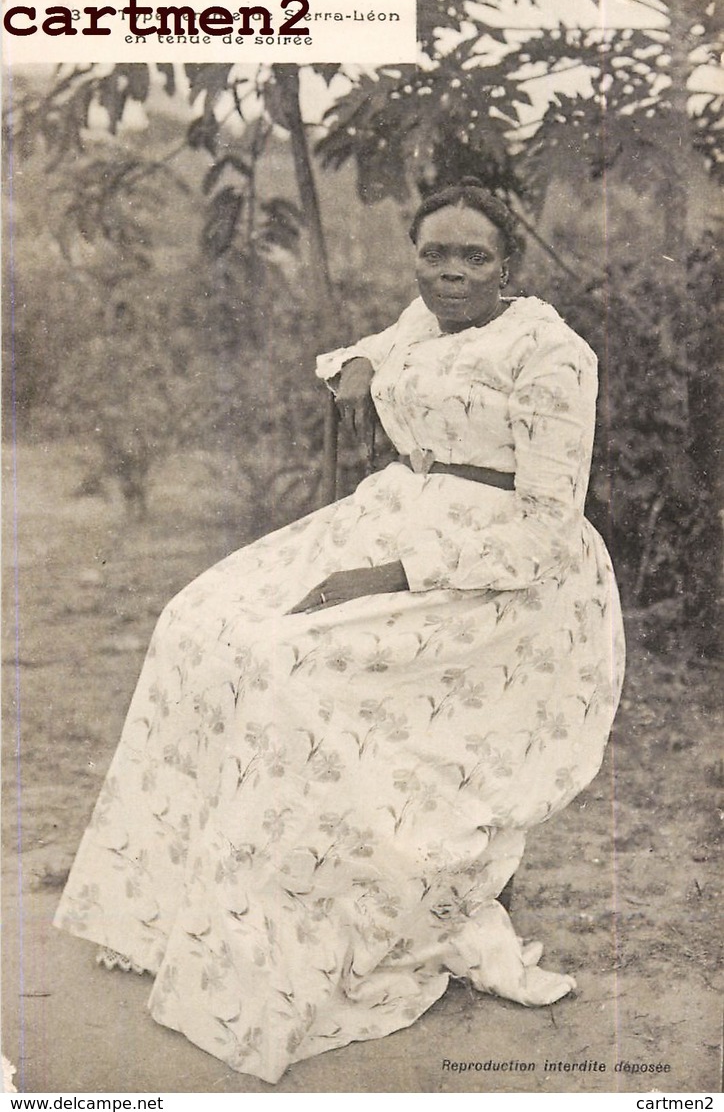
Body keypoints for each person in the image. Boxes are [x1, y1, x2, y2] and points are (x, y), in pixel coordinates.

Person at [54, 180, 625, 1084]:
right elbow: (379, 348)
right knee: (198, 625)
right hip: (397, 514)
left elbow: (549, 525)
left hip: (502, 579)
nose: (451, 272)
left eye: (473, 256)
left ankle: (323, 930)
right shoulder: (424, 317)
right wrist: (356, 367)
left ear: (507, 263)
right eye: (434, 253)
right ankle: (174, 914)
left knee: (290, 669)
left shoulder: (555, 354)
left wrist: (391, 574)